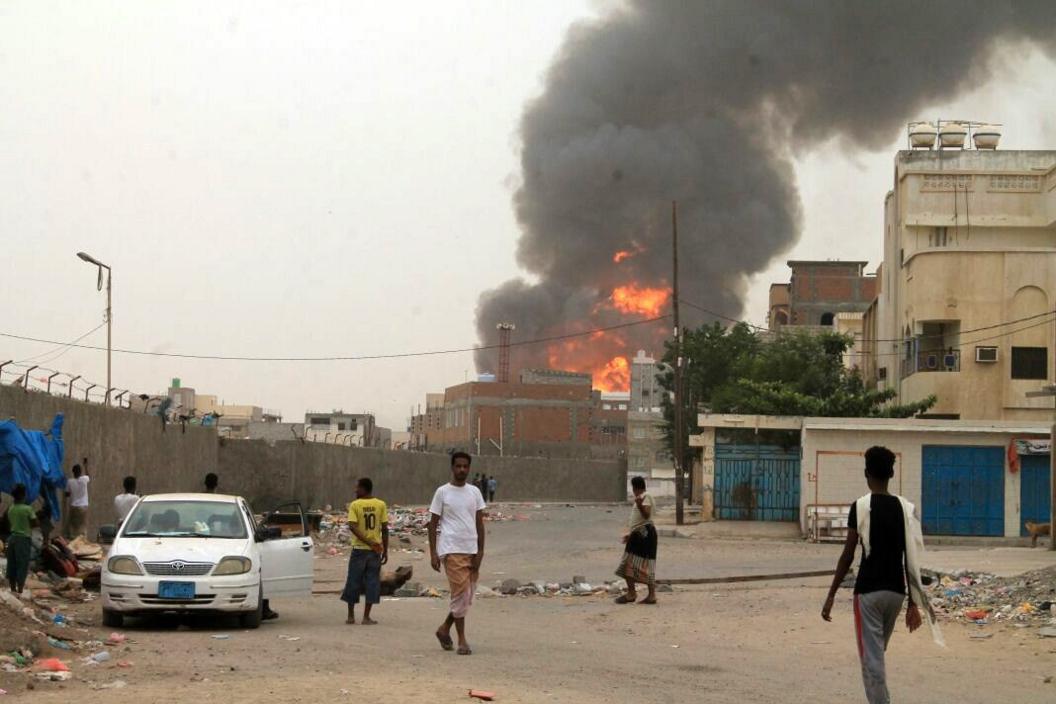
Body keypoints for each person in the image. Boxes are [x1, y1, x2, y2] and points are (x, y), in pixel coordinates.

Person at [821, 446, 942, 704]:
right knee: (876, 654)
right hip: (895, 594)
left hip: (868, 594)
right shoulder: (904, 508)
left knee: (871, 660)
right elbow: (910, 556)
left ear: (866, 473)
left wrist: (830, 594)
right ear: (891, 474)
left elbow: (848, 555)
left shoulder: (861, 506)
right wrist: (912, 602)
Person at [429, 451, 486, 655]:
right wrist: (434, 553)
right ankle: (462, 640)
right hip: (451, 549)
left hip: (471, 550)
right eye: (458, 466)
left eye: (465, 466)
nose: (462, 469)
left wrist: (480, 552)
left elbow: (479, 524)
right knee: (460, 594)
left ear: (469, 468)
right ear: (452, 467)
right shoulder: (442, 493)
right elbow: (432, 523)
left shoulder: (475, 493)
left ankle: (444, 629)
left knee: (467, 595)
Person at [341, 477, 389, 625]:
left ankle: (351, 616)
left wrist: (368, 542)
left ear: (364, 488)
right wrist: (384, 550)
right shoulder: (381, 504)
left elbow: (353, 527)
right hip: (375, 551)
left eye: (357, 487)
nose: (355, 490)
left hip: (359, 551)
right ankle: (366, 617)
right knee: (372, 583)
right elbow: (385, 529)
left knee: (353, 581)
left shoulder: (355, 505)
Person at [614, 476, 657, 604]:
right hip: (640, 534)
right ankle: (648, 595)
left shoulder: (646, 496)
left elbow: (646, 515)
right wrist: (631, 534)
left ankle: (632, 593)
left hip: (643, 534)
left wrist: (639, 505)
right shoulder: (643, 497)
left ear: (635, 487)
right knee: (644, 564)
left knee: (629, 563)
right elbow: (641, 519)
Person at [4, 484, 37, 594]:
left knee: (12, 564)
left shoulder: (10, 509)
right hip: (23, 539)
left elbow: (9, 525)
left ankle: (13, 589)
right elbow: (34, 523)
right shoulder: (28, 509)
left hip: (12, 538)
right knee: (22, 564)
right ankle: (20, 590)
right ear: (23, 495)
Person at [64, 460, 90, 539]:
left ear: (73, 472)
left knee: (73, 525)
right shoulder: (84, 479)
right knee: (83, 525)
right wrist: (85, 465)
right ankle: (82, 540)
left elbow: (67, 494)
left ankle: (72, 539)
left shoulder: (70, 481)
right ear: (80, 471)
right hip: (83, 506)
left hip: (74, 506)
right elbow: (88, 475)